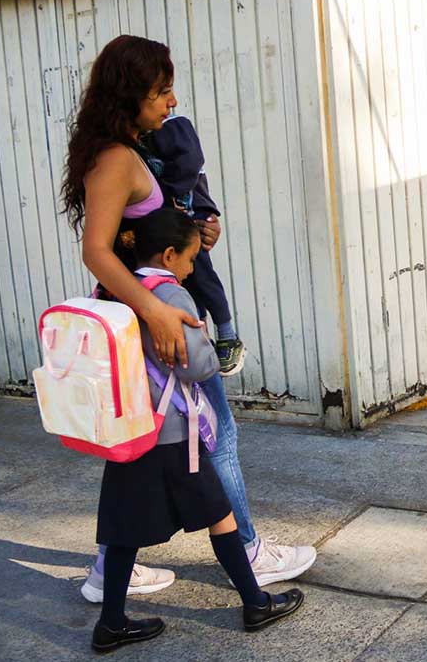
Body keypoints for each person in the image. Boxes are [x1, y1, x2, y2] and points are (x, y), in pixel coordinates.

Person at [59, 34, 314, 603]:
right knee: (213, 431)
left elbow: (142, 232)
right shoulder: (115, 158)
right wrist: (156, 312)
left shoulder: (130, 150)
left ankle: (109, 570)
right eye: (161, 91)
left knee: (141, 442)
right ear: (130, 94)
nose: (171, 102)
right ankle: (248, 551)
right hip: (152, 317)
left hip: (148, 314)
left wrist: (195, 230)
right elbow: (97, 250)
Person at [91, 209, 301, 652]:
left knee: (124, 527)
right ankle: (255, 603)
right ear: (169, 255)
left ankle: (111, 622)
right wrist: (205, 342)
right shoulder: (171, 294)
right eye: (190, 259)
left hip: (129, 424)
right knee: (220, 513)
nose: (191, 269)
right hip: (170, 431)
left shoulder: (114, 289)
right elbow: (197, 366)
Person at [144, 116, 246, 376]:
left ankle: (227, 334)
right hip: (172, 221)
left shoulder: (172, 126)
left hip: (190, 214)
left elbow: (190, 163)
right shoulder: (132, 140)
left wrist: (172, 193)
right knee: (189, 282)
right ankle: (202, 331)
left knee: (200, 273)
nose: (171, 100)